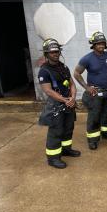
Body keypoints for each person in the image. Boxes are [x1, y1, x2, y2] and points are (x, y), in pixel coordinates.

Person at [38, 39, 80, 169]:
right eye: (52, 52)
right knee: (56, 131)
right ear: (46, 54)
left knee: (68, 129)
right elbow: (48, 90)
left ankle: (66, 149)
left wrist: (73, 97)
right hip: (56, 105)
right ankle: (53, 158)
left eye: (57, 51)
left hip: (68, 103)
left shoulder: (64, 67)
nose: (55, 54)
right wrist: (65, 100)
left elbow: (72, 84)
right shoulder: (44, 71)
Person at [74, 31, 107, 150]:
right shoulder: (87, 59)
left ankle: (106, 133)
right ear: (93, 45)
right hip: (95, 93)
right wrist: (87, 87)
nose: (101, 45)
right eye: (98, 43)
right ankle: (93, 139)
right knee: (94, 115)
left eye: (103, 43)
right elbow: (76, 73)